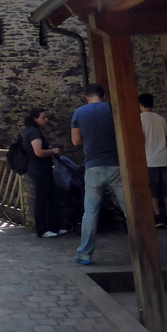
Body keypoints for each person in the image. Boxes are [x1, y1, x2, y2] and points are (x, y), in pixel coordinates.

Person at [70, 84, 124, 265]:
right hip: (116, 164)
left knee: (90, 212)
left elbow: (76, 140)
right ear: (103, 95)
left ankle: (84, 254)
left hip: (93, 166)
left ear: (87, 97)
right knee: (131, 211)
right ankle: (143, 249)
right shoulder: (112, 108)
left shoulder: (79, 112)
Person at [22, 107, 66, 238]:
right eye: (43, 117)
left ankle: (55, 227)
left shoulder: (30, 131)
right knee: (41, 198)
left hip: (41, 168)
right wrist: (52, 151)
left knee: (52, 196)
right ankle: (42, 229)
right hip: (39, 168)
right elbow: (39, 152)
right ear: (35, 118)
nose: (46, 120)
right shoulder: (34, 132)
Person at [138, 93, 167, 227]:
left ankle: (158, 216)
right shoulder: (161, 119)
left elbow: (141, 139)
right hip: (164, 158)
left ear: (140, 105)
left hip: (149, 159)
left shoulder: (139, 119)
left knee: (152, 190)